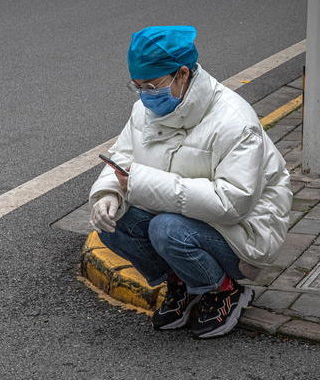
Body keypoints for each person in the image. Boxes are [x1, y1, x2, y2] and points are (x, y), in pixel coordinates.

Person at [88, 25, 292, 338]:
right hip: (188, 218)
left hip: (244, 234)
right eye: (137, 86)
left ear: (182, 74)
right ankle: (181, 282)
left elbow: (232, 203)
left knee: (166, 229)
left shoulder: (234, 120)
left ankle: (225, 291)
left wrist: (141, 182)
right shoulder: (143, 110)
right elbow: (122, 157)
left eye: (152, 86)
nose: (145, 95)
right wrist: (108, 193)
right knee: (114, 222)